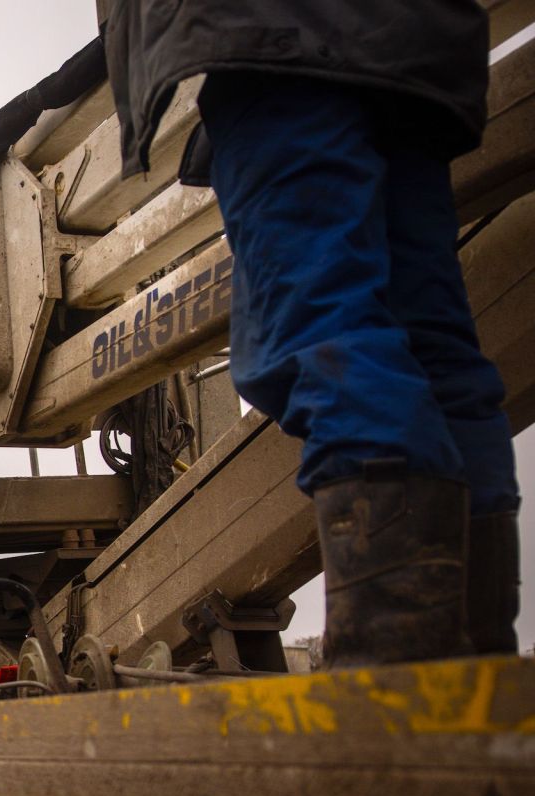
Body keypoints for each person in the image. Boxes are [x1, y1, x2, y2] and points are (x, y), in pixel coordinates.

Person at [91, 1, 519, 665]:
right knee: (433, 343)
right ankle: (471, 641)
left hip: (273, 38)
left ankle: (394, 654)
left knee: (324, 327)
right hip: (415, 52)